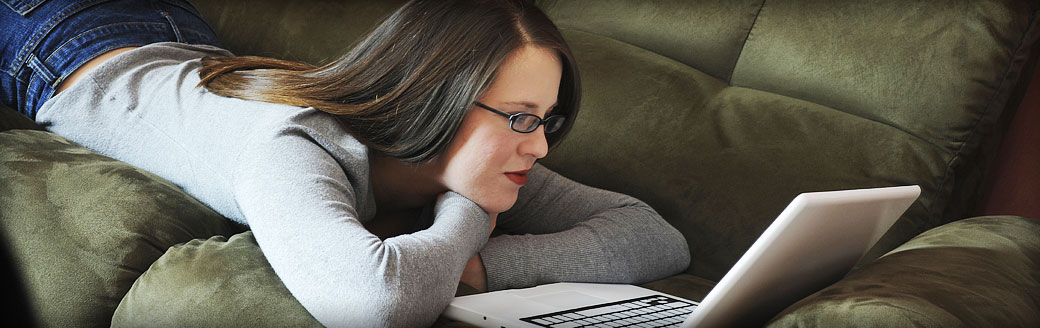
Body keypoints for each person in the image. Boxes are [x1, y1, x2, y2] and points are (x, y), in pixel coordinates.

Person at [1, 0, 691, 326]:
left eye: (544, 121)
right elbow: (374, 300)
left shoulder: (469, 152)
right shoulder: (292, 144)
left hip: (181, 36)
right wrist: (474, 214)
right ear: (436, 101)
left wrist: (480, 267)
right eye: (519, 118)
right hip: (57, 39)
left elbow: (654, 233)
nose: (537, 147)